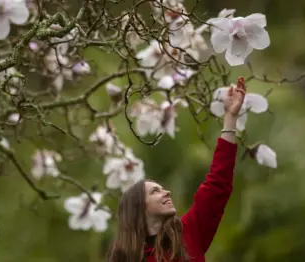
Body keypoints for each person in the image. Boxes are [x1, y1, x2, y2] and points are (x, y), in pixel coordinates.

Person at [106, 77, 247, 262]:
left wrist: (230, 118)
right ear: (139, 207)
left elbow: (217, 185)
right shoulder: (126, 258)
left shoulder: (189, 234)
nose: (167, 193)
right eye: (155, 192)